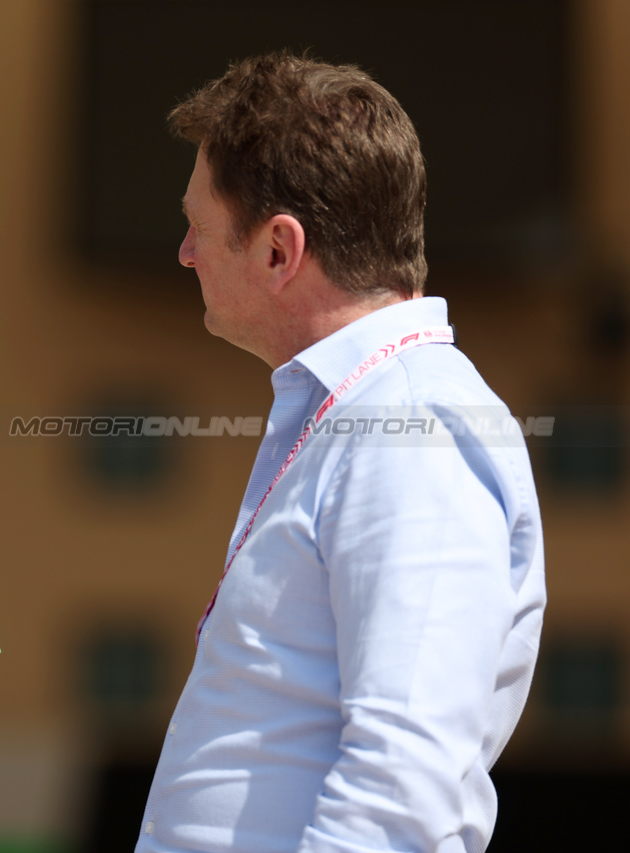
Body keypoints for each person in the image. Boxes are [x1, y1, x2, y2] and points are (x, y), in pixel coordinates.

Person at [137, 52, 545, 853]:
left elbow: (403, 784)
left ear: (279, 251)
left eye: (199, 225)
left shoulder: (409, 425)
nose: (185, 253)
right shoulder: (370, 411)